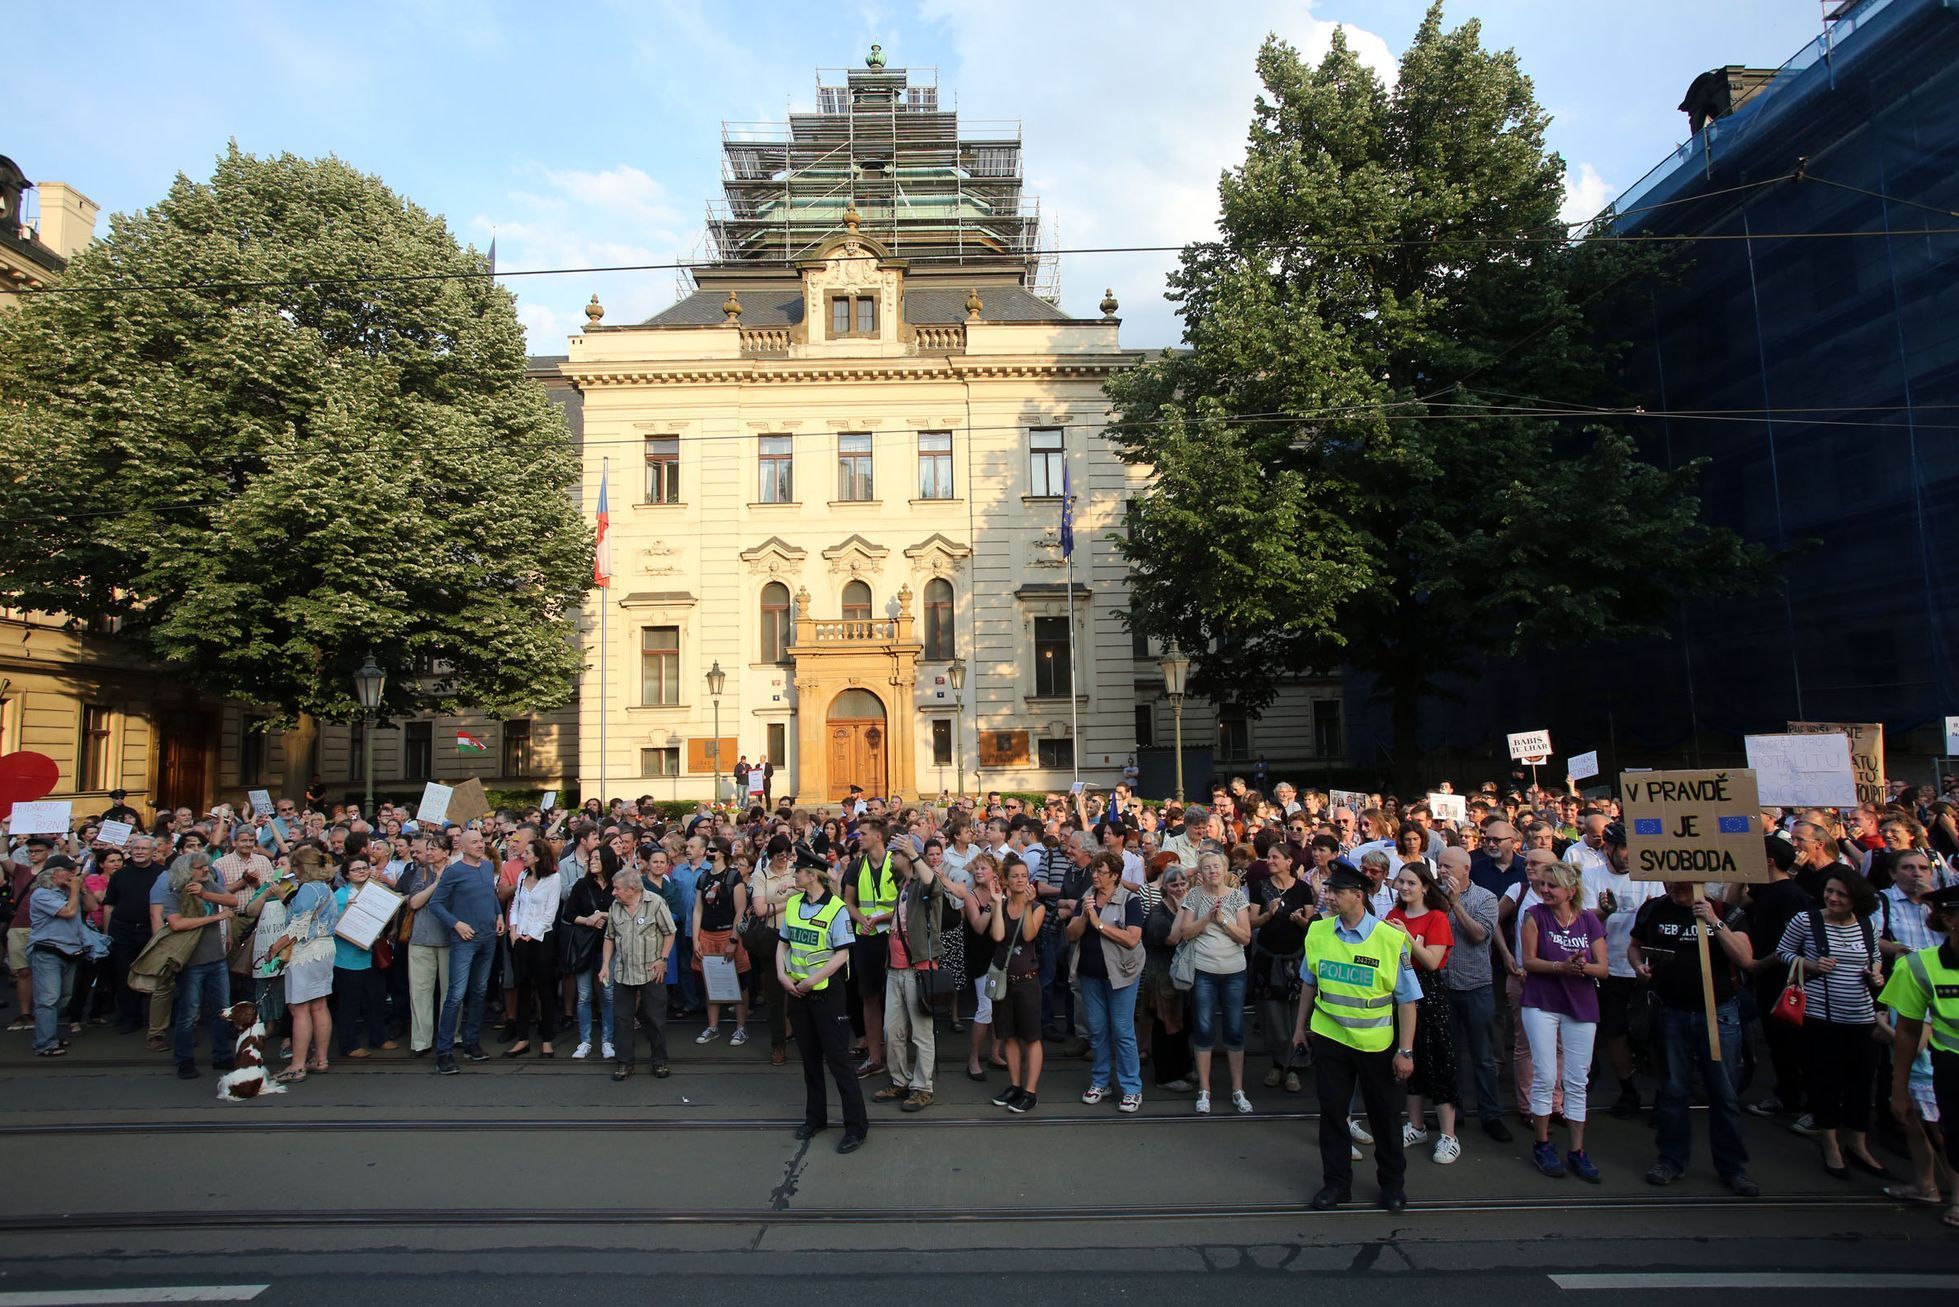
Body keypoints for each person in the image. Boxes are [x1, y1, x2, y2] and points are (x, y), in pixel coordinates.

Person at [1295, 864, 1422, 1212]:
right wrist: (1299, 1028)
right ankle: (1336, 1185)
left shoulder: (1390, 939)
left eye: (1336, 892)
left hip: (1375, 1045)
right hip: (1330, 1039)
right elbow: (1309, 982)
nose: (1329, 896)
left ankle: (1392, 1185)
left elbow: (1408, 1000)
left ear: (1358, 896)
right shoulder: (1318, 932)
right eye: (1329, 891)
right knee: (1333, 1115)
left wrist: (1406, 1051)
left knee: (1384, 1117)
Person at [1630, 880, 1760, 1196]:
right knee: (1674, 1090)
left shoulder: (1724, 912)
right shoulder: (1655, 909)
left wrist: (1714, 923)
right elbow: (1635, 946)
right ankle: (1671, 1160)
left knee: (1724, 1093)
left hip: (1718, 1013)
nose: (1673, 887)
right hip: (1672, 1012)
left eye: (1681, 883)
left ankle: (1732, 1168)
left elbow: (1745, 958)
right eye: (1669, 882)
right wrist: (1638, 966)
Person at [1777, 869, 1891, 1180]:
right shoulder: (1807, 920)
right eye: (1829, 891)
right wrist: (1810, 964)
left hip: (1862, 1016)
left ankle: (1858, 1144)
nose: (1833, 898)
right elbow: (1782, 953)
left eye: (1841, 894)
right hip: (1821, 1016)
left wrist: (1877, 973)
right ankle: (1830, 1144)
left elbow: (1875, 955)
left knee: (1861, 1083)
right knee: (1825, 1081)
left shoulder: (1866, 925)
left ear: (1856, 899)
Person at [1519, 860, 1608, 1181]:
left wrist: (1581, 967)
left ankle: (1577, 1149)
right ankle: (1542, 1143)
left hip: (1580, 1004)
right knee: (1545, 1074)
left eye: (1551, 885)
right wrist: (1561, 966)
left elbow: (1604, 968)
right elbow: (1528, 961)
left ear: (1571, 890)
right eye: (1542, 885)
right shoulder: (1535, 916)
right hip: (1542, 1002)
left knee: (1577, 1079)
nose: (1544, 890)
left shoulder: (1588, 922)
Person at [1878, 884, 1959, 1229]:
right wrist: (1899, 1090)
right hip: (1951, 1069)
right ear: (1949, 920)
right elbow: (1909, 1032)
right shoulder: (1918, 967)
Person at [778, 852, 869, 1151]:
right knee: (809, 1061)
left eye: (799, 872)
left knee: (838, 1061)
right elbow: (784, 943)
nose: (795, 876)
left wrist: (810, 981)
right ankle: (815, 1117)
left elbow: (842, 954)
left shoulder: (837, 909)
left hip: (826, 995)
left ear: (813, 875)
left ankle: (855, 1127)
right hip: (798, 993)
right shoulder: (793, 903)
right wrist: (782, 975)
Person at [874, 845, 967, 1112]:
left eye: (895, 854)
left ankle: (923, 1087)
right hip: (894, 969)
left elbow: (932, 882)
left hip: (919, 968)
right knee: (892, 1031)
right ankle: (900, 1080)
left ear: (908, 858)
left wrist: (913, 854)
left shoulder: (924, 885)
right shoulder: (903, 883)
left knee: (922, 1034)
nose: (891, 858)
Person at [1388, 858, 1461, 1164]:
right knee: (1409, 1058)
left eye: (1411, 883)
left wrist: (1405, 936)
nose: (1404, 887)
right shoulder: (1393, 914)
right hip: (1399, 991)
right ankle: (1415, 1125)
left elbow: (1432, 961)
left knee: (1438, 1062)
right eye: (1401, 882)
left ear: (1425, 887)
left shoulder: (1436, 918)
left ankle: (1448, 1135)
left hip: (1428, 993)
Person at [1172, 850, 1254, 1115]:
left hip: (1234, 971)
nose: (1212, 871)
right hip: (1204, 970)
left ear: (1226, 870)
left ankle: (1238, 1089)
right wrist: (1207, 917)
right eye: (1206, 867)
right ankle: (1204, 1090)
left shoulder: (1237, 897)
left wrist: (1224, 921)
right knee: (1204, 1030)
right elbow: (1185, 933)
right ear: (1201, 872)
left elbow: (1245, 937)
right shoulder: (1194, 896)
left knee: (1234, 1029)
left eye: (1216, 866)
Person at [1436, 846, 1509, 1143]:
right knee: (1448, 1054)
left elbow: (1479, 936)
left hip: (1476, 987)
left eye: (1447, 867)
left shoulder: (1486, 898)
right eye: (1440, 866)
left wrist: (1455, 906)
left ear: (1465, 870)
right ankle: (1454, 1113)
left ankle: (1491, 1114)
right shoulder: (1433, 899)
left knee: (1483, 1056)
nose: (1442, 871)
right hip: (1443, 986)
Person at [1067, 852, 1146, 1113]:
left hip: (1121, 976)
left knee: (1122, 1032)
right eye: (1093, 870)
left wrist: (1099, 925)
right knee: (1098, 1030)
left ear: (1114, 875)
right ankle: (1101, 1081)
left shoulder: (1129, 900)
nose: (1095, 875)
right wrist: (1083, 917)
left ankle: (1132, 1088)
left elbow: (1133, 939)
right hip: (1091, 975)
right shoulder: (1087, 897)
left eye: (1100, 871)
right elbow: (1071, 934)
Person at [426, 828, 503, 1076]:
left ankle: (471, 1042)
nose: (481, 845)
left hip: (488, 937)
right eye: (476, 842)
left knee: (479, 991)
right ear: (463, 846)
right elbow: (436, 904)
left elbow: (490, 894)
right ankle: (444, 1052)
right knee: (456, 995)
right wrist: (456, 924)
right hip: (465, 939)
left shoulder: (486, 867)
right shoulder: (454, 871)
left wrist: (499, 914)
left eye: (482, 841)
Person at [161, 852, 238, 1080]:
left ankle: (222, 1055)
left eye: (206, 866)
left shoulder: (208, 883)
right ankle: (184, 1059)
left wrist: (205, 894)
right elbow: (177, 924)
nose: (205, 870)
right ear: (186, 871)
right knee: (189, 1013)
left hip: (216, 957)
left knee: (222, 1010)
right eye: (200, 867)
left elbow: (232, 901)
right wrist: (217, 918)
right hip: (191, 960)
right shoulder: (173, 890)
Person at [1249, 841, 1314, 1094]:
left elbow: (1311, 925)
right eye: (1268, 857)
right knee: (1274, 1018)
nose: (1270, 861)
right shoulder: (1260, 887)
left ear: (1289, 862)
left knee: (1296, 1015)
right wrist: (1268, 915)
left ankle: (1294, 1068)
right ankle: (1278, 1062)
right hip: (1269, 960)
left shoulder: (1303, 889)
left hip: (1296, 959)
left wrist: (1300, 921)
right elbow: (1252, 922)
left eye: (1275, 857)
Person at [987, 853, 1046, 1114]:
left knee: (1031, 1037)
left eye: (1024, 876)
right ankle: (1014, 1084)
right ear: (1005, 881)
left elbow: (1028, 934)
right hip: (1004, 981)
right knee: (1008, 1035)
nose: (1020, 880)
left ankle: (1030, 1091)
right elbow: (998, 935)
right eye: (1015, 876)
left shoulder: (1039, 907)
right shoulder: (1000, 904)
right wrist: (996, 904)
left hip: (1027, 981)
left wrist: (1029, 907)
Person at [604, 866, 675, 1081]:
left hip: (651, 971)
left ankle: (659, 1060)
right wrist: (605, 964)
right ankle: (625, 1062)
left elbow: (670, 932)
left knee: (655, 1018)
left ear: (632, 889)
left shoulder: (655, 903)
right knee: (622, 1019)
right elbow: (609, 937)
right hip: (623, 971)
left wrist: (662, 959)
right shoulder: (615, 907)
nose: (613, 892)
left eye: (617, 888)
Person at [272, 847, 336, 1083]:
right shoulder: (324, 888)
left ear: (301, 867)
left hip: (306, 951)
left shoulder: (307, 889)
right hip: (326, 948)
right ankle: (321, 1059)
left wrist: (275, 948)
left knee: (299, 1009)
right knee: (319, 1005)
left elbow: (298, 927)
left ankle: (297, 1065)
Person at [842, 821, 898, 1079]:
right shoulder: (857, 865)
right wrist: (860, 918)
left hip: (894, 937)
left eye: (863, 834)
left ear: (878, 836)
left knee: (897, 997)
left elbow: (905, 902)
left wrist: (883, 917)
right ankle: (875, 1057)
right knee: (869, 997)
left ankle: (898, 1058)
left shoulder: (896, 863)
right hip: (866, 937)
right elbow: (849, 902)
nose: (858, 837)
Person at [27, 857, 95, 1057]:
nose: (74, 875)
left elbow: (91, 907)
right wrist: (74, 890)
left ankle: (49, 1035)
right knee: (48, 999)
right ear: (54, 873)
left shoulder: (69, 891)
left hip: (71, 950)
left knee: (64, 998)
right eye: (69, 871)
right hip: (48, 951)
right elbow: (68, 911)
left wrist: (82, 889)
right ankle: (45, 1043)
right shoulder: (41, 894)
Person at [504, 838, 564, 1058]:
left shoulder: (553, 879)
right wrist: (514, 929)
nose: (524, 855)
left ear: (538, 857)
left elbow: (551, 912)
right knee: (522, 988)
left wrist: (532, 934)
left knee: (544, 990)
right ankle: (522, 1039)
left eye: (528, 852)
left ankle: (547, 1040)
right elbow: (516, 905)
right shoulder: (521, 877)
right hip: (520, 938)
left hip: (541, 940)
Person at [691, 838, 751, 1047]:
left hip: (727, 933)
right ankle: (713, 1026)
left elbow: (740, 912)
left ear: (722, 852)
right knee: (711, 981)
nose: (708, 852)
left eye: (712, 849)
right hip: (707, 935)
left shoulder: (734, 877)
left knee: (739, 981)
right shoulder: (703, 877)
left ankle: (741, 1028)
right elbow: (698, 909)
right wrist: (695, 939)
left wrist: (733, 940)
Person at [396, 834, 450, 1058]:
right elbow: (415, 902)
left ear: (446, 853)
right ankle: (421, 1040)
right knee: (420, 992)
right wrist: (437, 884)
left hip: (449, 939)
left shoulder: (456, 871)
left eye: (434, 849)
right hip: (421, 938)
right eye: (428, 848)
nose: (429, 853)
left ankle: (450, 1035)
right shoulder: (421, 872)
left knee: (450, 992)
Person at [746, 837, 796, 1066]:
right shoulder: (762, 875)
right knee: (775, 995)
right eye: (779, 856)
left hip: (799, 938)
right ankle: (778, 1045)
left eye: (786, 855)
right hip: (774, 938)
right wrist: (790, 902)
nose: (782, 860)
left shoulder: (796, 871)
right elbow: (759, 909)